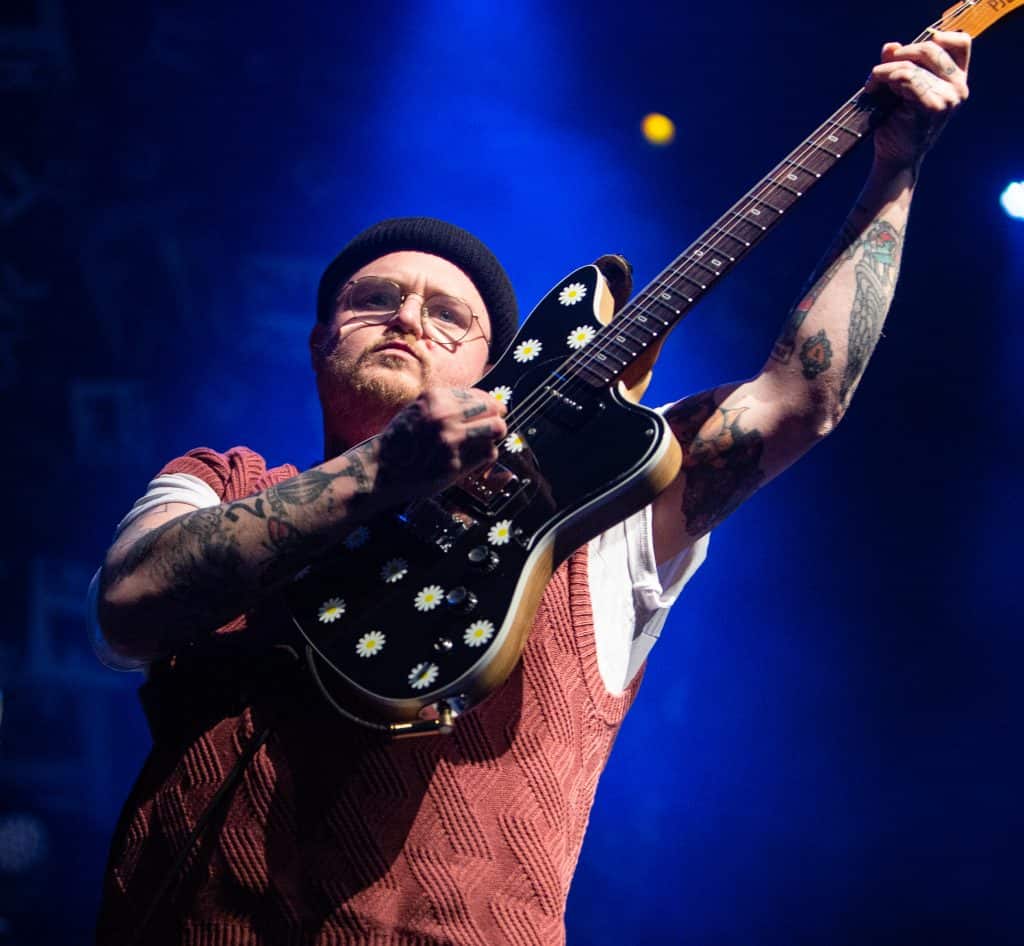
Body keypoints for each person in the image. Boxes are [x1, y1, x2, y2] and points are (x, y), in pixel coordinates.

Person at [92, 33, 971, 946]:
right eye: (375, 299)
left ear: (495, 371)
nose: (407, 318)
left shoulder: (593, 522)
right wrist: (382, 470)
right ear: (320, 343)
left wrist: (894, 174)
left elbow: (798, 397)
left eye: (448, 316)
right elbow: (127, 605)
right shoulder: (224, 481)